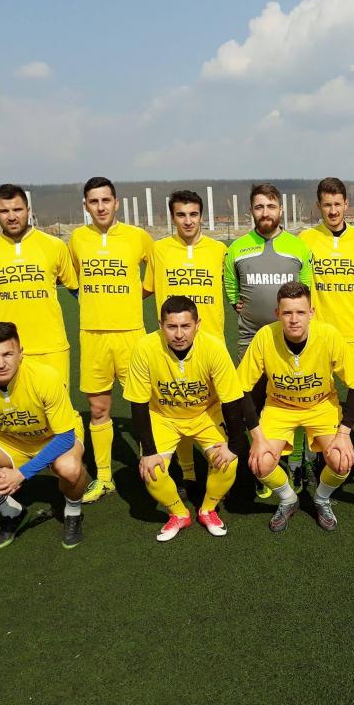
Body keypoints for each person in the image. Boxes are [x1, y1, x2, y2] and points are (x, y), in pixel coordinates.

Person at [238, 281, 354, 532]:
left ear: (311, 313)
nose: (294, 319)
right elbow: (241, 389)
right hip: (279, 407)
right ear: (277, 313)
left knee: (342, 460)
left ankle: (321, 498)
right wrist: (257, 437)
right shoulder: (265, 336)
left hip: (321, 405)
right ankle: (289, 499)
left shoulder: (328, 335)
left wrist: (344, 433)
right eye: (287, 312)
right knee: (260, 463)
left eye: (300, 312)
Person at [0, 322, 88, 549]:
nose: (1, 363)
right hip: (10, 437)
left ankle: (73, 511)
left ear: (21, 353)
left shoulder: (45, 377)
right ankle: (11, 511)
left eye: (8, 354)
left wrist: (21, 475)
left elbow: (65, 437)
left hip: (53, 437)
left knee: (70, 469)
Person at [124, 296, 250, 540]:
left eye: (185, 326)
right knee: (151, 471)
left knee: (228, 462)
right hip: (163, 417)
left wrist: (235, 446)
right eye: (172, 327)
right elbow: (138, 403)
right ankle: (179, 514)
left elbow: (231, 399)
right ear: (161, 325)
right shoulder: (144, 348)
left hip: (205, 413)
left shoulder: (213, 347)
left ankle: (208, 510)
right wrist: (148, 451)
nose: (179, 334)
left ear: (197, 324)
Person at [224, 183, 314, 495]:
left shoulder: (298, 247)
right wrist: (237, 303)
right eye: (259, 207)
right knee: (254, 400)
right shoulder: (237, 248)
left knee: (295, 398)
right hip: (251, 337)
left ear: (280, 210)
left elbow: (306, 290)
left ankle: (296, 460)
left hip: (290, 337)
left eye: (271, 206)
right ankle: (263, 460)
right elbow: (231, 287)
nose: (265, 212)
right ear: (252, 210)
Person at [68, 177, 153, 504]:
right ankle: (104, 477)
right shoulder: (77, 239)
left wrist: (134, 296)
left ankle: (150, 466)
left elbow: (155, 272)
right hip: (92, 336)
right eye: (94, 201)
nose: (101, 207)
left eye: (106, 200)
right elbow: (73, 279)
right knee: (98, 408)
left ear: (116, 203)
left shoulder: (137, 237)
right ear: (86, 205)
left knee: (144, 405)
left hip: (131, 334)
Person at [143, 189, 229, 494]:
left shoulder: (219, 250)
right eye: (181, 214)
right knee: (177, 405)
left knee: (210, 407)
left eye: (193, 214)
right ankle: (189, 473)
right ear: (172, 217)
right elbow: (146, 289)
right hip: (173, 343)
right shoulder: (159, 250)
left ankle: (218, 468)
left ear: (202, 216)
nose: (188, 221)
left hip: (211, 345)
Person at [0, 184, 78, 386]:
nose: (11, 217)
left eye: (17, 209)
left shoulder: (54, 245)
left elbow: (77, 291)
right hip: (7, 351)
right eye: (4, 211)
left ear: (28, 210)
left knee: (56, 404)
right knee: (17, 407)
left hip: (52, 348)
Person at [299, 177, 354, 347]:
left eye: (337, 204)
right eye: (327, 205)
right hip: (317, 331)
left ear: (346, 204)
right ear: (318, 206)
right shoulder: (305, 239)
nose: (333, 211)